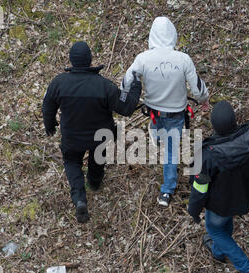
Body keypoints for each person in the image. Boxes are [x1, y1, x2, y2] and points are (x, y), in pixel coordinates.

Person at [42, 41, 142, 223]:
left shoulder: (59, 83)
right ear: (90, 60)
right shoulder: (104, 86)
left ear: (71, 61)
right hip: (100, 138)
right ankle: (94, 182)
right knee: (98, 157)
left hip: (72, 138)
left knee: (72, 162)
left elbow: (47, 105)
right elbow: (126, 108)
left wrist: (49, 125)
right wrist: (135, 87)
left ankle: (80, 199)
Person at [187, 101, 249, 273]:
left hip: (221, 204)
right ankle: (219, 253)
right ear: (235, 120)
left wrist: (193, 211)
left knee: (214, 229)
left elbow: (199, 189)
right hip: (245, 195)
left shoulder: (207, 155)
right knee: (223, 225)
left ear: (214, 126)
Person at [121, 16, 209, 207]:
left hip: (153, 112)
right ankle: (166, 192)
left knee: (159, 134)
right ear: (173, 35)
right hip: (175, 115)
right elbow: (197, 88)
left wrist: (124, 98)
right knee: (171, 153)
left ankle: (156, 138)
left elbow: (127, 80)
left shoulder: (143, 58)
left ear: (152, 35)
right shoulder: (183, 59)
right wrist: (204, 100)